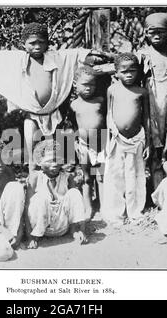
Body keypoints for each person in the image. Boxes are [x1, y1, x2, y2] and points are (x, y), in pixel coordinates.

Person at [0, 22, 110, 170]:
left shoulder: (56, 57)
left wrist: (94, 56)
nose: (37, 46)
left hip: (54, 113)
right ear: (23, 44)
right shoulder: (18, 60)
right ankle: (33, 178)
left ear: (47, 43)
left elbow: (75, 55)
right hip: (32, 115)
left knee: (56, 154)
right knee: (32, 150)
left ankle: (58, 182)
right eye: (32, 43)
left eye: (41, 42)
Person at [137, 12, 167, 189]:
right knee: (156, 147)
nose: (157, 36)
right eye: (152, 32)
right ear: (146, 34)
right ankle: (158, 192)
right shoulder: (144, 54)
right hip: (153, 105)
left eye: (162, 32)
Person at [102, 53, 151, 226]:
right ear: (116, 73)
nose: (129, 74)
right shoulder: (112, 90)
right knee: (116, 176)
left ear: (138, 71)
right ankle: (116, 214)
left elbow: (146, 118)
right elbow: (109, 114)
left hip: (137, 140)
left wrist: (148, 143)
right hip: (117, 139)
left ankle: (135, 212)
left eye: (133, 70)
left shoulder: (142, 92)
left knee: (134, 177)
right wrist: (110, 139)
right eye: (124, 71)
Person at [25, 140, 89, 249]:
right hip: (41, 227)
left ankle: (76, 231)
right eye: (49, 161)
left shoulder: (67, 177)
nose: (54, 164)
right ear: (40, 163)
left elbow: (76, 204)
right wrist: (29, 236)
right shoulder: (35, 177)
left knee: (74, 193)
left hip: (61, 225)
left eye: (56, 160)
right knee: (41, 197)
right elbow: (27, 208)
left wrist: (82, 229)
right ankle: (35, 236)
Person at [70, 66, 106, 218]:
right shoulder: (73, 105)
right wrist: (75, 143)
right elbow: (72, 126)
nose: (89, 88)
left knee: (100, 175)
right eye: (85, 84)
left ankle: (104, 206)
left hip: (101, 143)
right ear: (75, 84)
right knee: (86, 177)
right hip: (83, 145)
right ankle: (88, 208)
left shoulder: (100, 101)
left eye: (92, 84)